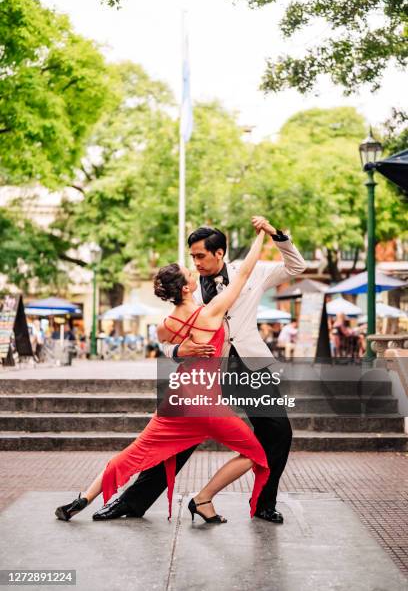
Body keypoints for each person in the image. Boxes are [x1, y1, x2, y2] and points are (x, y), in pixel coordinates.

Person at [93, 215, 306, 524]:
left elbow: (297, 267)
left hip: (251, 367)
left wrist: (277, 235)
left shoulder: (251, 272)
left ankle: (262, 503)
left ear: (219, 253)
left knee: (278, 433)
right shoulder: (188, 286)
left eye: (200, 255)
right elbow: (167, 339)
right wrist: (180, 350)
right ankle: (132, 502)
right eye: (192, 256)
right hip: (207, 375)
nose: (195, 261)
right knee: (179, 441)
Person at [55, 222, 270, 524]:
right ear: (185, 288)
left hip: (176, 400)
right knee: (254, 454)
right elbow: (245, 271)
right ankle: (203, 498)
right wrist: (263, 234)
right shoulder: (211, 312)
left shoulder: (166, 324)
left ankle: (83, 498)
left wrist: (181, 349)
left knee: (134, 452)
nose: (194, 269)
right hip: (206, 403)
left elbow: (165, 344)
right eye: (189, 271)